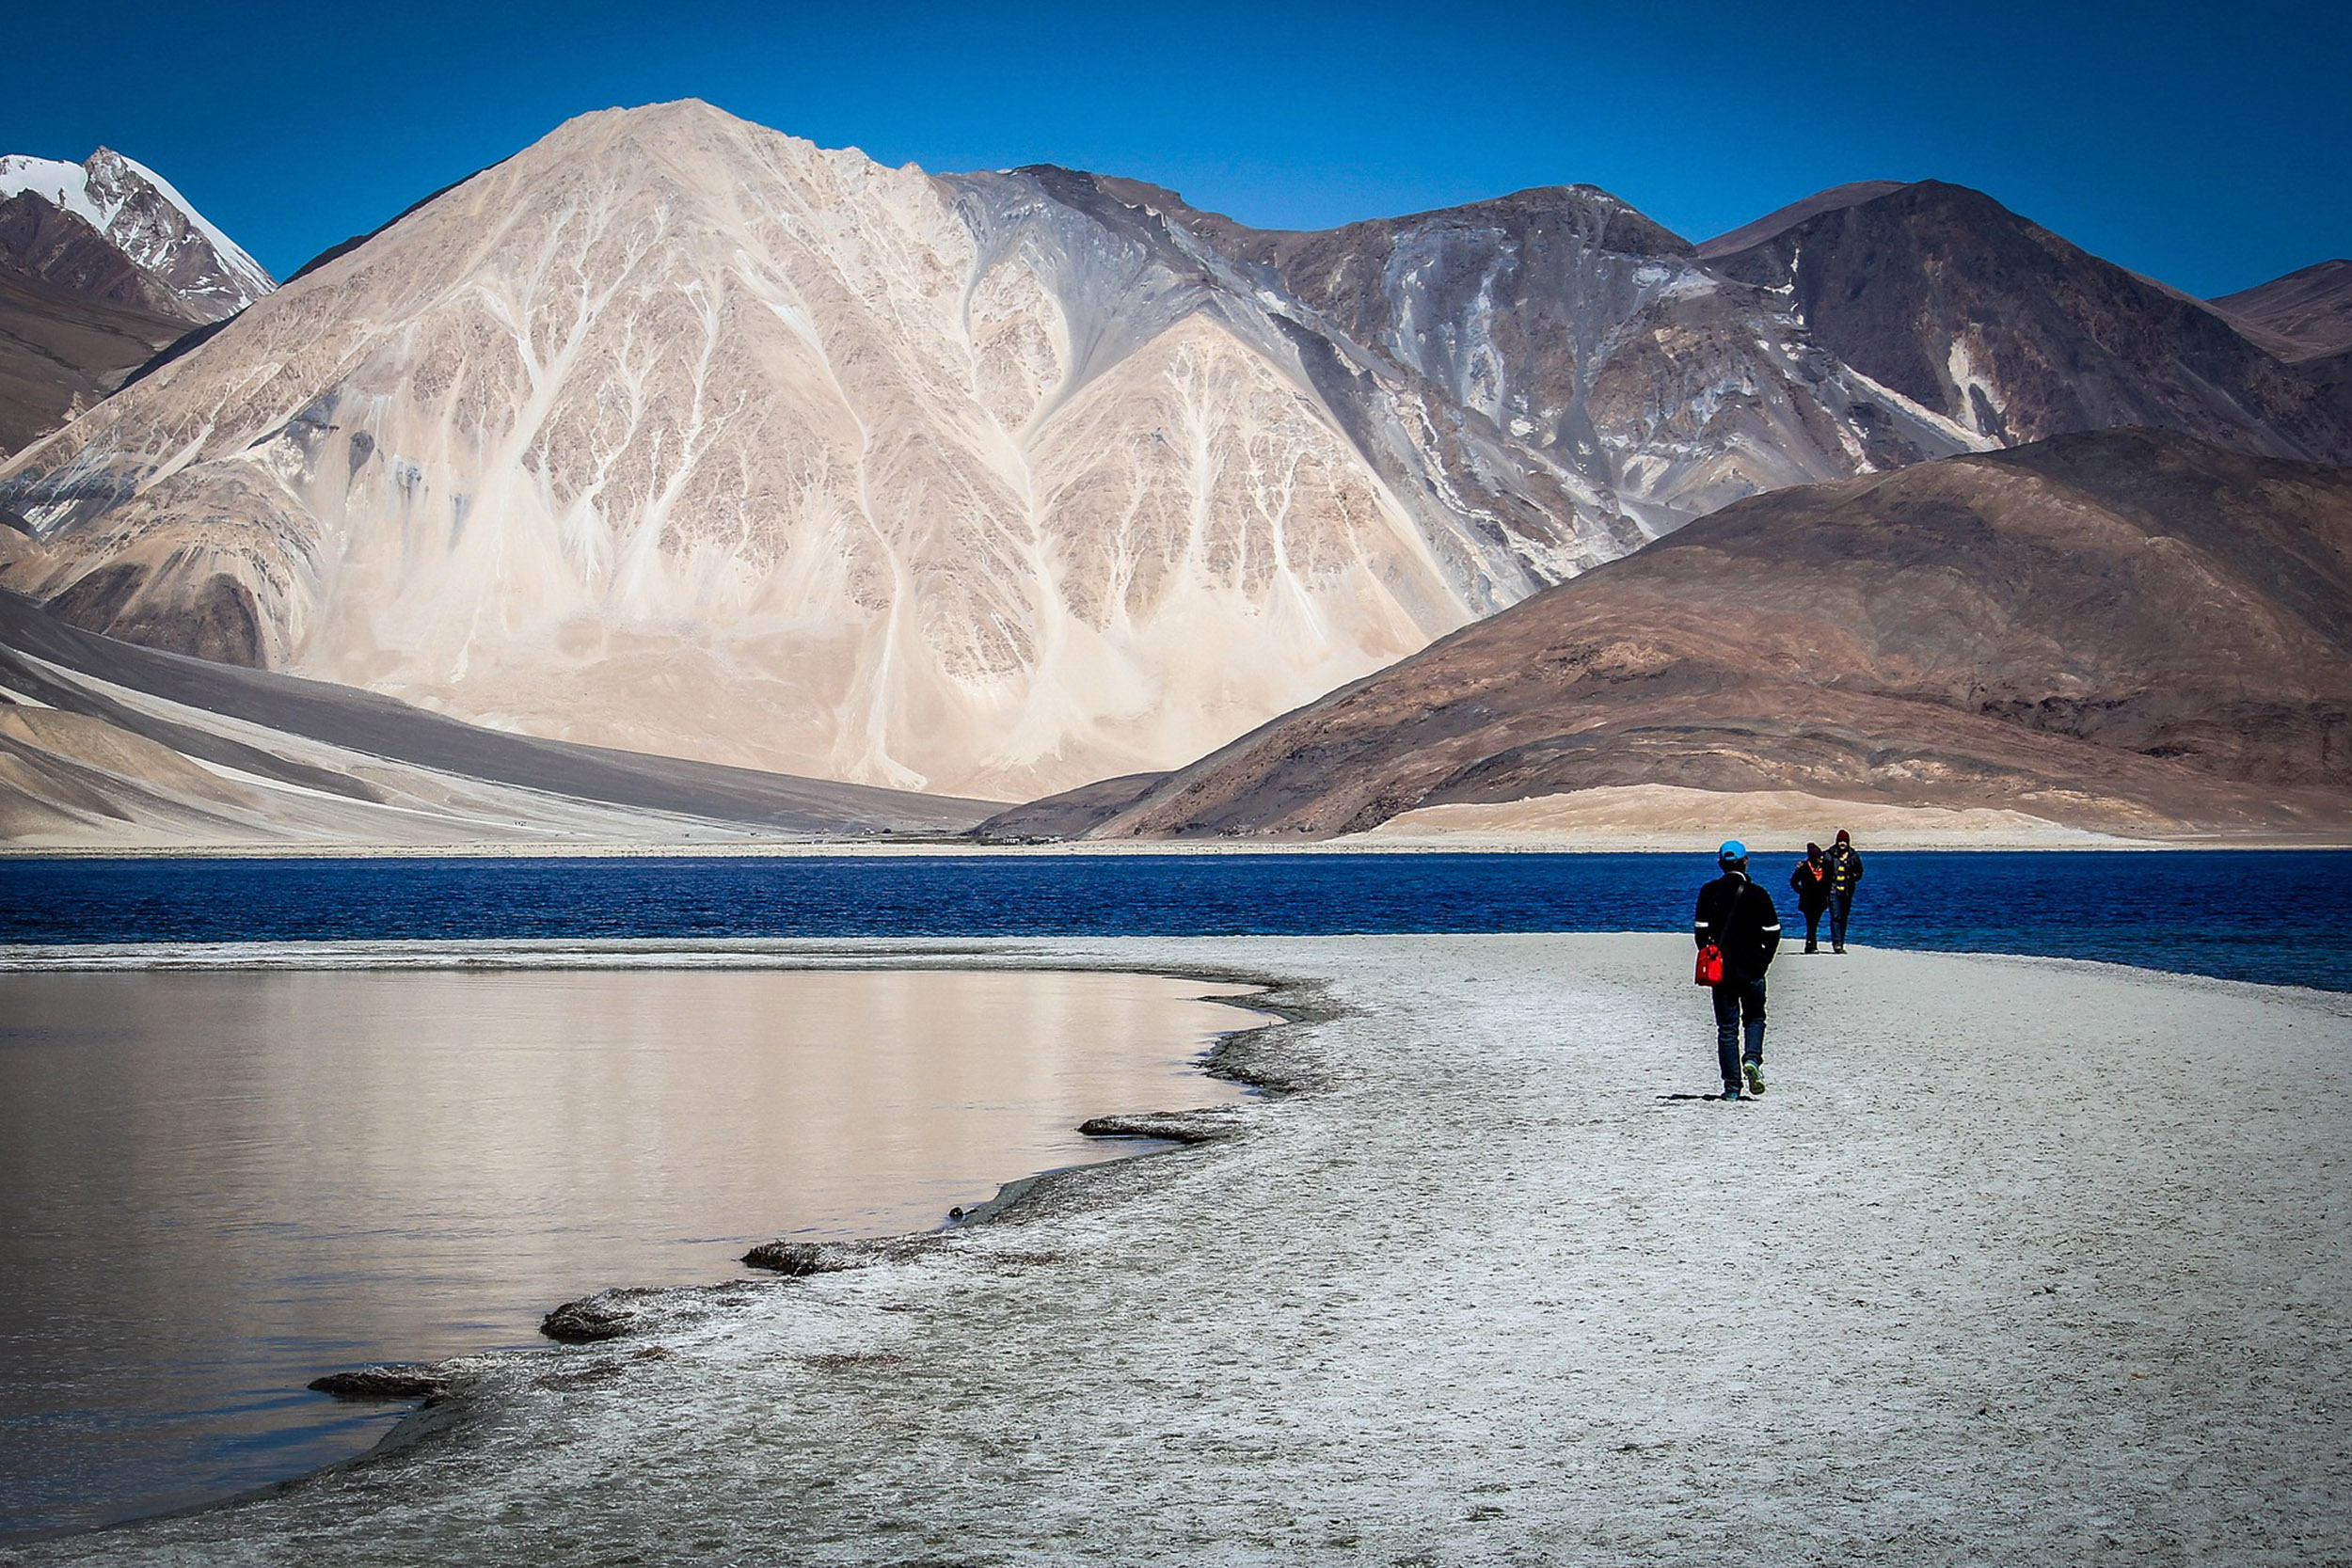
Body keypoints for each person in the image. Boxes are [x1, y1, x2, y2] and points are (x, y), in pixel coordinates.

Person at [1694, 840, 1781, 1101]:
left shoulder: (1709, 892)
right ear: (1745, 861)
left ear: (1721, 864)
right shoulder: (1758, 894)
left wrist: (1713, 955)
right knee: (1755, 1018)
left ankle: (1732, 1087)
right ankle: (1752, 1059)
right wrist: (1763, 960)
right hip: (1752, 969)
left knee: (1727, 1028)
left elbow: (1701, 934)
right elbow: (1774, 933)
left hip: (1722, 972)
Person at [1825, 829, 1865, 953]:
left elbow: (1859, 871)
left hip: (1847, 891)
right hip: (1833, 890)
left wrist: (1852, 877)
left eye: (1844, 841)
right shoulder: (1829, 855)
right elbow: (1819, 865)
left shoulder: (1854, 856)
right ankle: (1837, 944)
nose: (1842, 843)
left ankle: (1841, 941)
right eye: (1840, 841)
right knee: (1835, 916)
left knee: (1844, 917)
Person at [1788, 842, 1831, 953]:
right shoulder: (1804, 868)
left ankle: (1811, 943)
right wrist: (1801, 892)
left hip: (1821, 901)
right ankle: (1811, 944)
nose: (1821, 859)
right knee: (1811, 922)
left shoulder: (1826, 867)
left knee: (1814, 922)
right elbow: (1793, 882)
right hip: (1808, 901)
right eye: (1818, 857)